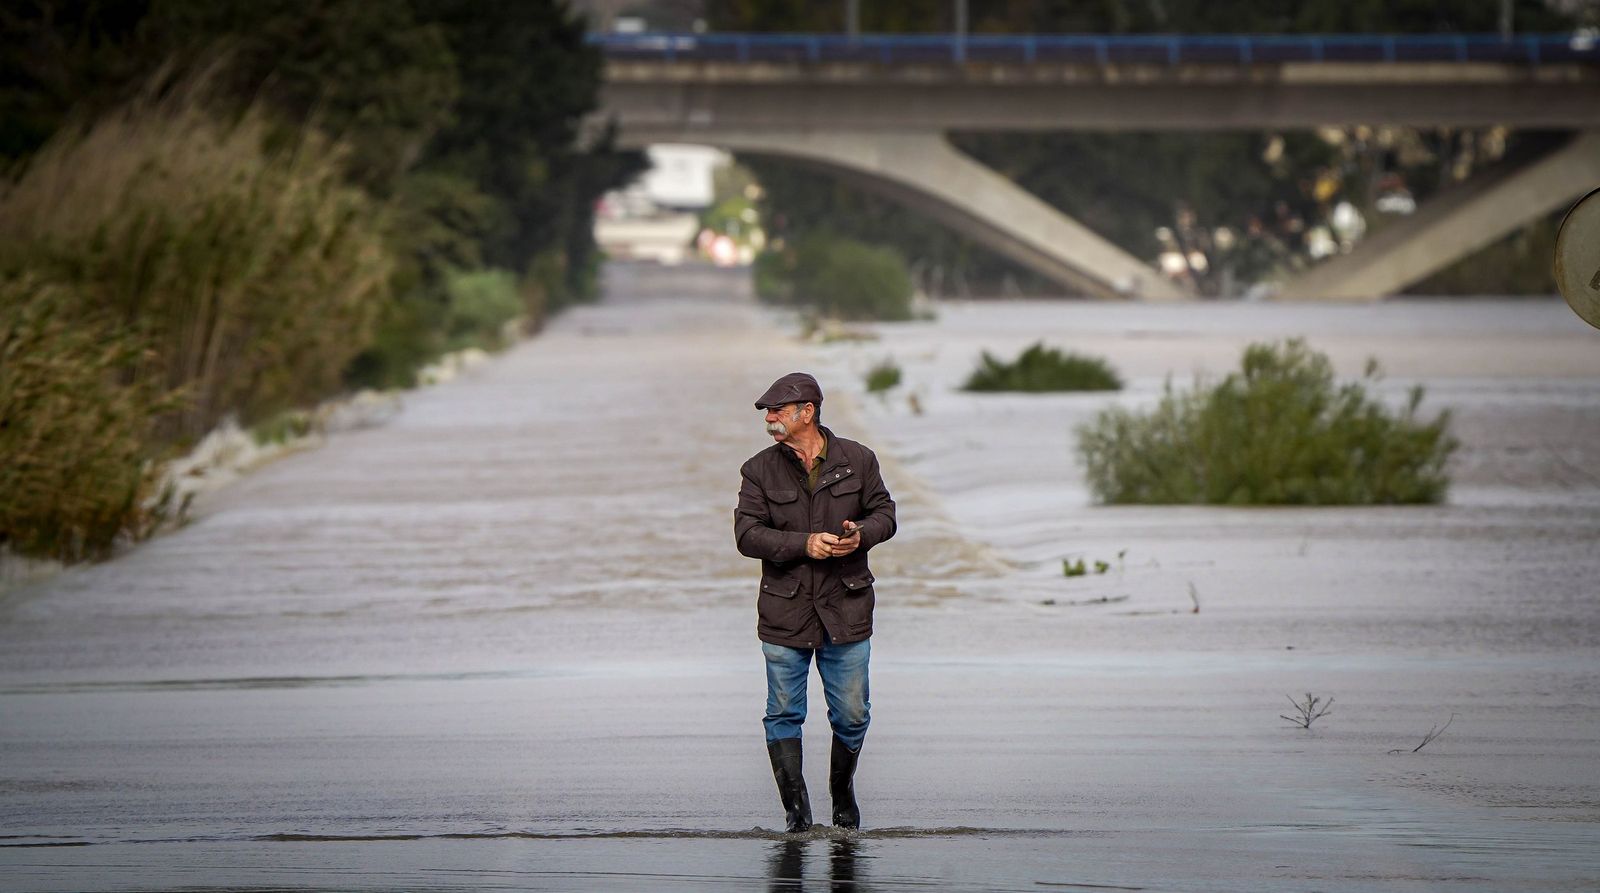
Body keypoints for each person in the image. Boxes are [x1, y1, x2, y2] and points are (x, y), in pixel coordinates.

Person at [734, 372, 897, 833]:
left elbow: (885, 514)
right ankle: (797, 813)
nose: (769, 419)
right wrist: (804, 544)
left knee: (852, 713)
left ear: (808, 412)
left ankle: (841, 793)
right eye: (767, 412)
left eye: (777, 411)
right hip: (785, 611)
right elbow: (747, 536)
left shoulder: (859, 460)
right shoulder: (757, 470)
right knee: (783, 711)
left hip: (846, 608)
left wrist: (860, 536)